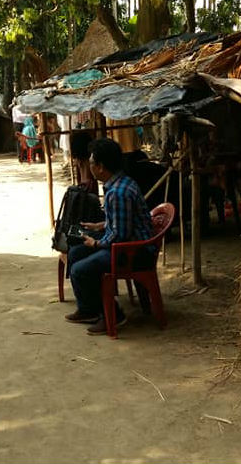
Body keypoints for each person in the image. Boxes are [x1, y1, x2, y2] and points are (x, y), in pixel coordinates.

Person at [64, 138, 153, 335]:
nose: (90, 166)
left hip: (133, 251)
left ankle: (114, 314)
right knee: (76, 252)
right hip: (129, 243)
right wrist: (99, 225)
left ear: (101, 167)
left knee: (80, 269)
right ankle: (89, 309)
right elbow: (121, 223)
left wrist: (96, 243)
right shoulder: (119, 183)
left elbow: (120, 236)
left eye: (92, 163)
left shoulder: (118, 193)